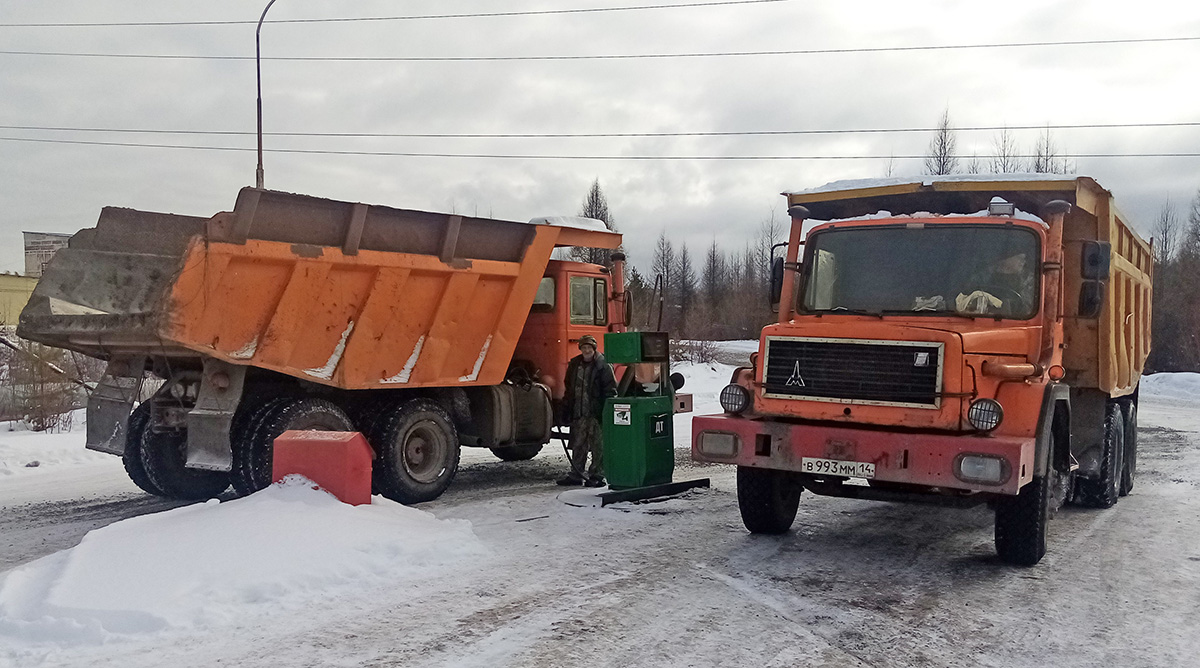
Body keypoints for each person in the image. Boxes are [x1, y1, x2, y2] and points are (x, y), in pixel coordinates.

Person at [557, 334, 616, 487]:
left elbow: (611, 390)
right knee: (578, 444)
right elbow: (569, 388)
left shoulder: (603, 365)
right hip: (579, 412)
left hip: (596, 413)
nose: (587, 350)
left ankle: (597, 475)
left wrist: (606, 411)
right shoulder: (575, 365)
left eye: (589, 347)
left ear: (594, 348)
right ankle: (576, 474)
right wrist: (566, 407)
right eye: (584, 347)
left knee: (598, 445)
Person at [956, 250, 1035, 316]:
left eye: (1024, 259)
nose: (1023, 262)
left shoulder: (1029, 280)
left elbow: (1029, 309)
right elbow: (965, 297)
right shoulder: (982, 277)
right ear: (1007, 258)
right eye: (1019, 258)